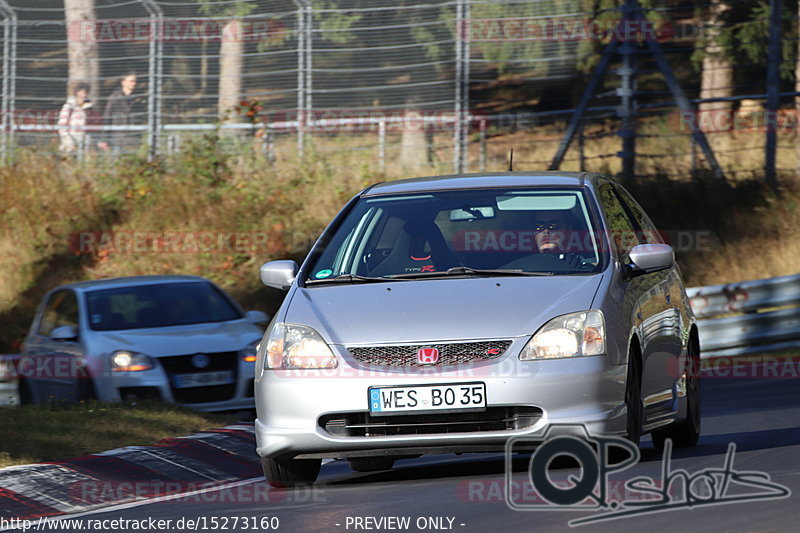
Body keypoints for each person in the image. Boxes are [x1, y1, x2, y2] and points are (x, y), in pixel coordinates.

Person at [57, 83, 101, 156]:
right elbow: (62, 126)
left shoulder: (90, 107)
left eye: (86, 92)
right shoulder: (69, 106)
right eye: (82, 92)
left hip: (85, 142)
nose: (84, 95)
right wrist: (69, 142)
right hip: (71, 142)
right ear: (77, 92)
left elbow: (92, 125)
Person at [103, 72, 139, 154]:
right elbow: (107, 117)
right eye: (131, 81)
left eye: (135, 81)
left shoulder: (137, 98)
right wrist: (105, 138)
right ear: (123, 82)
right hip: (118, 138)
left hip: (134, 138)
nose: (134, 83)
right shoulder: (114, 98)